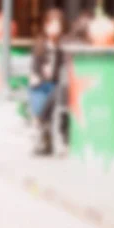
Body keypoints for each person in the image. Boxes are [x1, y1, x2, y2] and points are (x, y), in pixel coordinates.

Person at [29, 8, 66, 155]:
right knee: (45, 93)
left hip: (55, 87)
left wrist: (51, 74)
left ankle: (41, 123)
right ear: (46, 26)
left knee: (56, 91)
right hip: (40, 86)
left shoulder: (62, 48)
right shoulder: (39, 45)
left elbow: (61, 73)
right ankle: (43, 128)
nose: (54, 28)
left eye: (57, 25)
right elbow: (34, 69)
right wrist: (39, 76)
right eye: (52, 24)